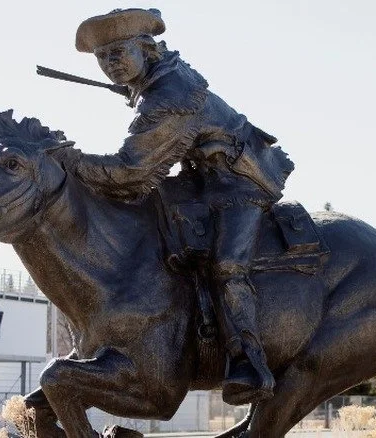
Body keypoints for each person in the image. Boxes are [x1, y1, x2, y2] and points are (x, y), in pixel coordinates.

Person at [67, 8, 294, 405]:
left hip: (240, 181)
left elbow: (132, 170)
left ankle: (248, 360)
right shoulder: (160, 82)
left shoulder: (168, 98)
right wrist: (135, 87)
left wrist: (68, 161)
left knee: (228, 265)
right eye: (103, 58)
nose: (110, 64)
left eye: (118, 52)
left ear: (146, 48)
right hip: (202, 181)